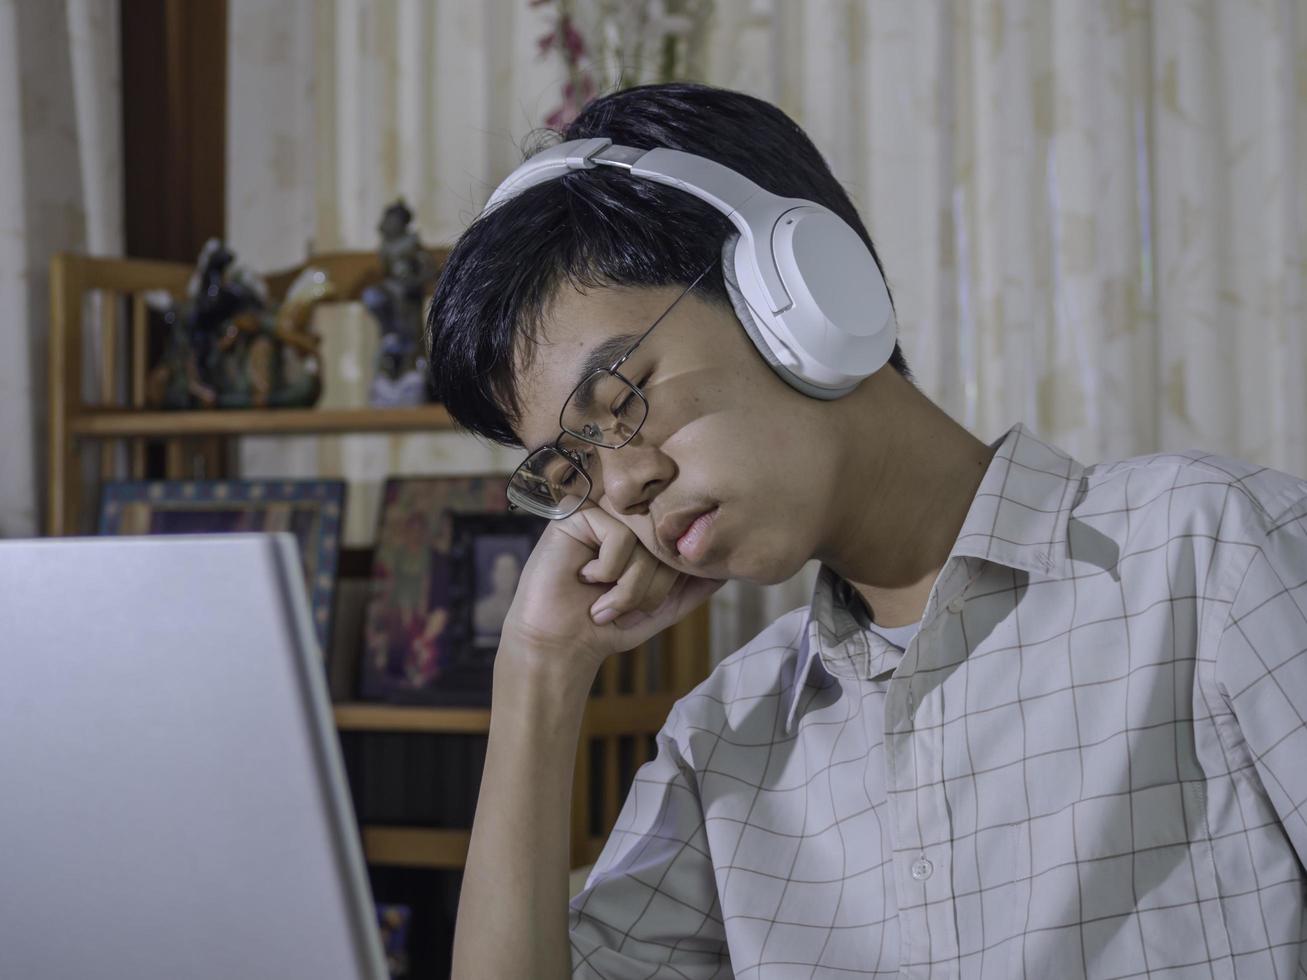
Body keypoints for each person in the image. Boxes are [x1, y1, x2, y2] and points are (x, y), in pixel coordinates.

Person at [425, 82, 1307, 978]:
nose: (622, 485)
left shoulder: (1209, 553)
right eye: (572, 470)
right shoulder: (727, 736)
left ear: (795, 293)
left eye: (618, 402)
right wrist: (538, 671)